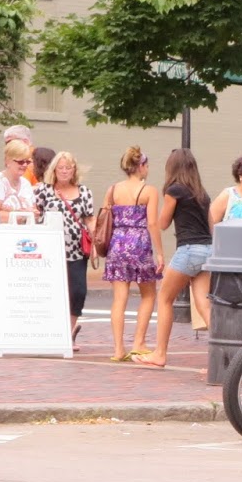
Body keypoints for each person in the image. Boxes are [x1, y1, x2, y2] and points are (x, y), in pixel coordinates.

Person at [137, 148, 212, 368]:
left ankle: (160, 353)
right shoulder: (202, 193)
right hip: (207, 250)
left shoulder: (174, 190)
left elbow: (162, 223)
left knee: (165, 298)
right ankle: (221, 357)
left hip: (188, 249)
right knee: (204, 306)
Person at [101, 145, 163, 362]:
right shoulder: (149, 191)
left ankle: (118, 349)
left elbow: (104, 217)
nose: (148, 170)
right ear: (140, 166)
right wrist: (160, 254)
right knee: (148, 294)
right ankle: (139, 342)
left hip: (117, 243)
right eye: (146, 165)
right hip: (139, 243)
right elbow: (153, 223)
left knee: (119, 299)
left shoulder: (113, 189)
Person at [33, 151, 95, 344]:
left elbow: (90, 219)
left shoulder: (84, 192)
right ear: (54, 169)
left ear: (74, 170)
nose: (65, 171)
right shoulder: (43, 190)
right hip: (50, 251)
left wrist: (95, 244)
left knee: (77, 291)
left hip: (76, 250)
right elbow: (35, 213)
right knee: (52, 291)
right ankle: (54, 333)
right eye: (61, 167)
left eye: (68, 167)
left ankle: (68, 333)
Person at [0, 138, 37, 222]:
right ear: (8, 161)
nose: (25, 165)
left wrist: (34, 214)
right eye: (20, 162)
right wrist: (21, 215)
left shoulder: (26, 184)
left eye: (27, 162)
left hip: (24, 233)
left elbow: (33, 210)